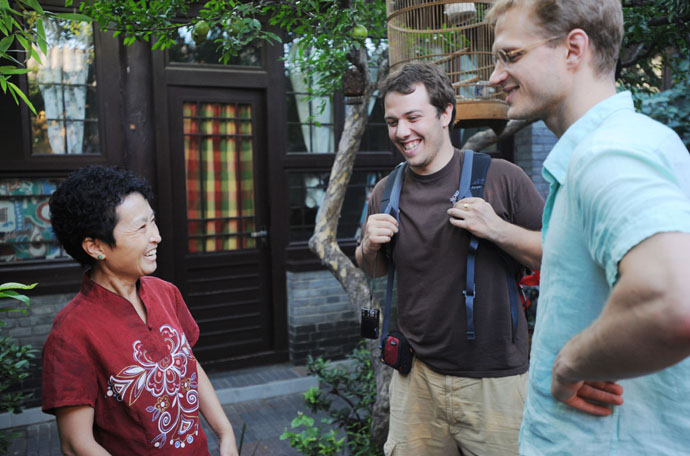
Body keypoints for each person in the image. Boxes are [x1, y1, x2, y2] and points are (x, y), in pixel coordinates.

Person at [487, 1, 690, 454]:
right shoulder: (643, 142)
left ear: (573, 50)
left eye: (510, 55)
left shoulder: (607, 153)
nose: (495, 76)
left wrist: (569, 365)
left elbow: (674, 300)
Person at [356, 61, 544, 456]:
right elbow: (374, 267)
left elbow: (557, 254)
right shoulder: (385, 192)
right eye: (392, 122)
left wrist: (497, 229)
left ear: (446, 114)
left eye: (413, 118)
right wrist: (368, 248)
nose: (401, 132)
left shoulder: (503, 178)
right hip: (415, 377)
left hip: (495, 380)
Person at [42, 166, 238, 455]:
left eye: (153, 222)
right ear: (95, 246)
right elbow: (75, 444)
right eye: (141, 228)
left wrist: (225, 432)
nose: (156, 236)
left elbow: (187, 363)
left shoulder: (165, 293)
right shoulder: (70, 333)